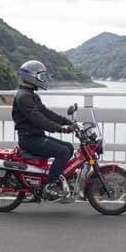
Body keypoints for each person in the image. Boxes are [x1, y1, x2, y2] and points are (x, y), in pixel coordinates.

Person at [12, 60, 75, 199]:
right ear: (30, 76)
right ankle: (51, 185)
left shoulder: (31, 95)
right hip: (29, 139)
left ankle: (60, 178)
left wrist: (67, 122)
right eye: (41, 77)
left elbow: (46, 113)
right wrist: (60, 129)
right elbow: (38, 119)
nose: (44, 80)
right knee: (63, 151)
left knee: (69, 147)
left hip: (36, 136)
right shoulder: (24, 97)